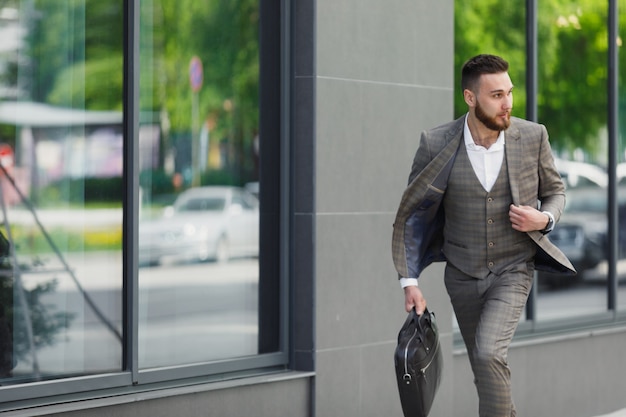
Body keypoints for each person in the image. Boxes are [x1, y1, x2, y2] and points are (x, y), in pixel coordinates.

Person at [391, 54, 576, 417]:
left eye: (509, 93)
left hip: (513, 269)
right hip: (462, 273)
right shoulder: (436, 142)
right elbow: (412, 215)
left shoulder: (532, 136)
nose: (507, 103)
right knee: (484, 368)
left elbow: (556, 193)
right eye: (496, 95)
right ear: (470, 98)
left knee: (489, 352)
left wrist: (544, 218)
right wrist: (409, 281)